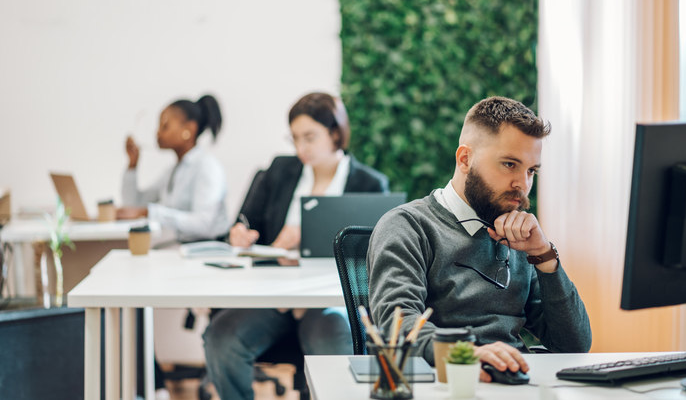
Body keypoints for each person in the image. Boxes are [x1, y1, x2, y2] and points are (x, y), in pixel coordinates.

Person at [367, 96, 591, 382]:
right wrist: (465, 353)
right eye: (510, 164)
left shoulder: (518, 236)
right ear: (465, 159)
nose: (523, 185)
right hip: (447, 383)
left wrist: (544, 256)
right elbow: (397, 324)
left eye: (531, 170)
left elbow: (574, 345)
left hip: (513, 383)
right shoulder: (408, 226)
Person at [203, 92, 389, 400]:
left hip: (327, 302)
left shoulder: (369, 184)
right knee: (222, 337)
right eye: (295, 139)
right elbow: (245, 225)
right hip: (274, 297)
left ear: (334, 133)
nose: (301, 148)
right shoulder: (279, 171)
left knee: (337, 344)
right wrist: (239, 235)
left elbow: (372, 258)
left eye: (309, 137)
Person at [117, 94, 228, 243]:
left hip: (202, 251)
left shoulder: (207, 167)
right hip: (176, 249)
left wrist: (149, 213)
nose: (157, 133)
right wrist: (132, 165)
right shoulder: (173, 171)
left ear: (189, 129)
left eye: (165, 126)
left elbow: (204, 224)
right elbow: (133, 205)